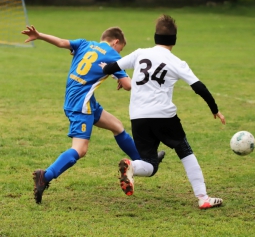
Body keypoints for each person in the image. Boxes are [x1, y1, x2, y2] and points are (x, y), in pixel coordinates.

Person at [100, 14, 226, 209]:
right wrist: (215, 109)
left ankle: (131, 166)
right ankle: (203, 197)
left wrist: (110, 71)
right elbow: (199, 87)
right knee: (185, 151)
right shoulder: (176, 62)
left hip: (138, 116)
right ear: (174, 40)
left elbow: (110, 67)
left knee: (150, 164)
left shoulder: (140, 53)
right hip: (163, 115)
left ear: (155, 37)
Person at [21, 25, 146, 204]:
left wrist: (39, 35)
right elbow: (128, 85)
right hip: (82, 105)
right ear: (116, 42)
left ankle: (142, 162)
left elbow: (62, 42)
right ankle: (45, 176)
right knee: (80, 149)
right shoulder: (113, 56)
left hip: (80, 100)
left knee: (117, 126)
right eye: (121, 49)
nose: (121, 53)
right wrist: (122, 77)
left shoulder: (85, 44)